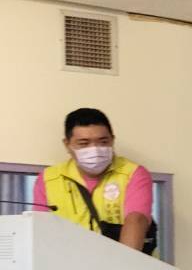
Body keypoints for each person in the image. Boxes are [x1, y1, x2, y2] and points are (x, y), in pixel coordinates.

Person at [35, 107, 157, 254]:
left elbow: (136, 220)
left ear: (112, 140)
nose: (95, 149)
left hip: (121, 261)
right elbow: (41, 230)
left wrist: (123, 264)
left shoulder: (133, 174)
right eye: (84, 143)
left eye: (103, 142)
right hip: (69, 262)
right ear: (67, 144)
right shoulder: (48, 178)